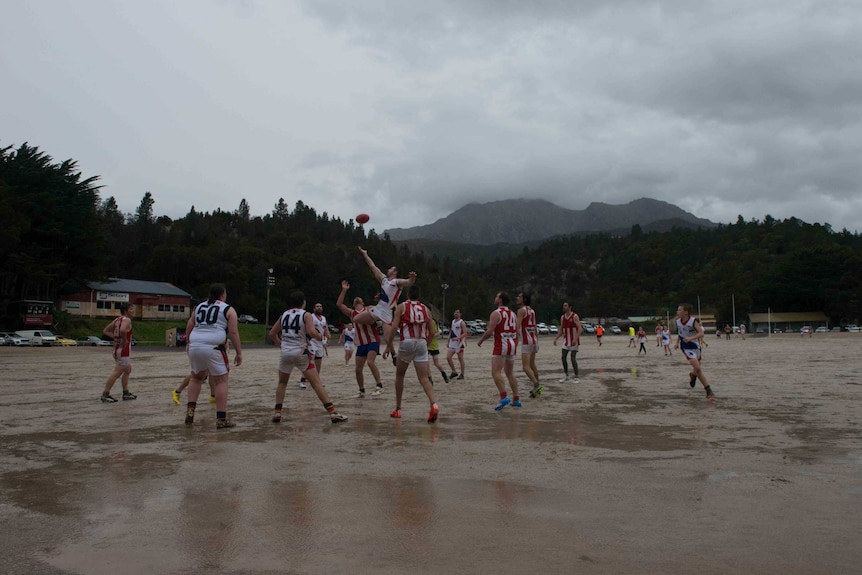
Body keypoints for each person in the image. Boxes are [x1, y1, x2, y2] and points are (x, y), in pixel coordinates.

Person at [269, 291, 348, 424]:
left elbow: (272, 333)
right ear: (303, 302)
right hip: (301, 352)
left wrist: (281, 345)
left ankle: (277, 413)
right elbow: (311, 332)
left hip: (286, 353)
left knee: (282, 383)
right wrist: (320, 337)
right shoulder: (305, 315)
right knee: (316, 382)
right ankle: (333, 412)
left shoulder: (284, 315)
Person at [184, 283, 243, 429]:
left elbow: (190, 323)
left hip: (195, 343)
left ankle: (190, 413)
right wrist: (239, 352)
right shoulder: (228, 309)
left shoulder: (199, 307)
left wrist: (188, 341)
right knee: (221, 381)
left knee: (196, 378)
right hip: (214, 346)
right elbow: (234, 332)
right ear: (223, 294)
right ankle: (221, 419)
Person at [382, 285, 440, 422]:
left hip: (407, 342)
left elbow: (394, 327)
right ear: (418, 295)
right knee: (424, 378)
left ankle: (398, 408)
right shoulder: (426, 309)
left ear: (408, 294)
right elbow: (431, 332)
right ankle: (434, 404)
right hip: (421, 343)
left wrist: (388, 346)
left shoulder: (401, 307)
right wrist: (426, 342)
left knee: (400, 375)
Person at [351, 247, 416, 359]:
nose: (388, 269)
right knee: (356, 319)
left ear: (395, 272)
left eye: (391, 268)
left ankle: (394, 355)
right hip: (378, 308)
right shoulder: (384, 279)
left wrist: (412, 279)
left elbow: (408, 282)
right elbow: (373, 267)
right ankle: (376, 324)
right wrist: (365, 254)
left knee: (387, 338)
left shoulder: (397, 282)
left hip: (387, 311)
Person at [336, 280, 385, 397]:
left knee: (370, 362)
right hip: (361, 343)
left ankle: (379, 385)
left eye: (359, 300)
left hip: (373, 340)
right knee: (358, 369)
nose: (357, 300)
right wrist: (344, 290)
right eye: (356, 300)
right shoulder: (352, 313)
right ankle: (361, 390)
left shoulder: (369, 309)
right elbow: (339, 304)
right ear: (354, 304)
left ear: (362, 302)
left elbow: (382, 310)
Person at [476, 291, 521, 411]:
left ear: (500, 300)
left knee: (495, 372)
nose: (495, 298)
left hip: (502, 344)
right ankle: (516, 399)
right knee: (510, 372)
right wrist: (515, 344)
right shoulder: (512, 313)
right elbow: (517, 332)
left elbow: (490, 331)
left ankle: (504, 396)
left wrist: (481, 340)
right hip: (512, 344)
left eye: (496, 296)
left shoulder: (496, 313)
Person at [674, 303, 715, 399]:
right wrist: (677, 343)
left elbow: (701, 333)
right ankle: (708, 390)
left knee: (696, 369)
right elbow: (681, 334)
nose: (677, 312)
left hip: (696, 346)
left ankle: (693, 376)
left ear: (686, 312)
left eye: (679, 310)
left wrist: (691, 338)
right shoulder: (677, 322)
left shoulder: (693, 321)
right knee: (698, 368)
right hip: (686, 347)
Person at [100, 302, 137, 403]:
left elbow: (106, 331)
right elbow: (123, 330)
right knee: (116, 373)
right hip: (123, 351)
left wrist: (116, 338)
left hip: (117, 349)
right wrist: (124, 339)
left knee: (128, 369)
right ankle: (105, 394)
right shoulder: (127, 320)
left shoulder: (117, 320)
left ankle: (125, 393)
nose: (133, 311)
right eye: (131, 309)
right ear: (126, 311)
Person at [516, 292, 542, 398]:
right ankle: (537, 387)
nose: (517, 298)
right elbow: (535, 326)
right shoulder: (532, 311)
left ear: (524, 299)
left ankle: (536, 385)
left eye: (519, 297)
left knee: (525, 367)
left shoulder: (521, 311)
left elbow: (517, 326)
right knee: (532, 365)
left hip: (527, 341)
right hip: (534, 340)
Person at [299, 302, 330, 389]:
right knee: (309, 361)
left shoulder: (323, 318)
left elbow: (325, 327)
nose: (319, 308)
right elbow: (305, 328)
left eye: (320, 306)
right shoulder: (311, 317)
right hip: (312, 342)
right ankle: (303, 380)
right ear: (314, 309)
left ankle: (316, 380)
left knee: (318, 362)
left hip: (320, 342)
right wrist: (307, 340)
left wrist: (327, 333)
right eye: (317, 306)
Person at [552, 302, 581, 383]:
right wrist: (556, 339)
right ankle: (566, 375)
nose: (564, 307)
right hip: (566, 341)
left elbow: (580, 328)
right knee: (563, 357)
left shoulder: (574, 316)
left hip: (573, 341)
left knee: (573, 358)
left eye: (565, 306)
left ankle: (576, 376)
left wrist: (575, 339)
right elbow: (561, 330)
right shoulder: (562, 317)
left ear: (570, 307)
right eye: (563, 305)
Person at [446, 309, 469, 380]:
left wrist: (458, 338)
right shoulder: (453, 321)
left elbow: (465, 333)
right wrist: (448, 341)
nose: (456, 313)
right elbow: (451, 332)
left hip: (459, 343)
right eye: (455, 312)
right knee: (448, 357)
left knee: (460, 358)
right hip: (453, 343)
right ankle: (454, 371)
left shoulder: (462, 322)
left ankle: (462, 374)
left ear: (460, 314)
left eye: (457, 312)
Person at [427, 318, 450, 384]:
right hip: (425, 345)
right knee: (426, 364)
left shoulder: (433, 321)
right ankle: (430, 379)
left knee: (436, 363)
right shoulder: (422, 320)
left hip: (433, 345)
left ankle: (444, 374)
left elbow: (437, 333)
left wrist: (432, 335)